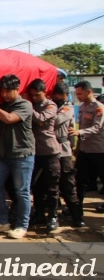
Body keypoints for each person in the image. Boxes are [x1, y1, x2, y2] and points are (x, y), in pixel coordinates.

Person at [0, 75, 35, 239]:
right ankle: (1, 221)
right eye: (2, 91)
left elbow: (9, 118)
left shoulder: (25, 105)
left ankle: (21, 225)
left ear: (17, 90)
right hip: (2, 155)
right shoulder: (1, 105)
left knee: (22, 191)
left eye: (7, 91)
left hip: (22, 154)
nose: (4, 94)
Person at [26, 79, 61, 232]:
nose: (34, 98)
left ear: (45, 92)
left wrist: (27, 106)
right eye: (32, 95)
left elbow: (40, 118)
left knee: (52, 186)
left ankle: (53, 216)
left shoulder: (50, 105)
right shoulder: (31, 105)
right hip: (34, 152)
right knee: (36, 186)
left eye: (37, 95)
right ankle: (39, 213)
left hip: (49, 151)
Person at [52, 82, 84, 227]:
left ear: (65, 95)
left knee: (68, 185)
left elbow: (57, 120)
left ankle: (77, 216)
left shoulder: (67, 107)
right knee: (51, 185)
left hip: (63, 150)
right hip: (50, 149)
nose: (57, 97)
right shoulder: (52, 105)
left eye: (59, 95)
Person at [69, 81, 104, 214]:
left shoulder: (99, 107)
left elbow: (96, 128)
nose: (78, 96)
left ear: (88, 92)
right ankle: (77, 209)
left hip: (98, 150)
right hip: (84, 149)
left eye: (80, 93)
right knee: (80, 180)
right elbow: (82, 128)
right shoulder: (83, 107)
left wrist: (79, 133)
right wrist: (77, 146)